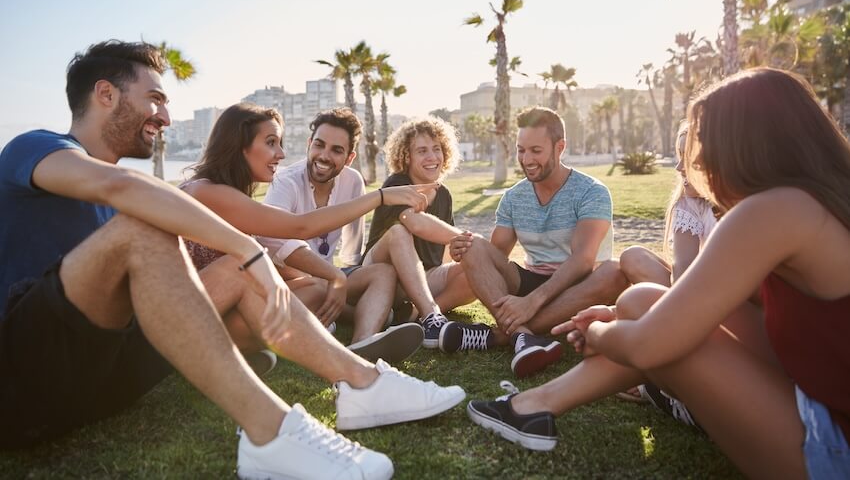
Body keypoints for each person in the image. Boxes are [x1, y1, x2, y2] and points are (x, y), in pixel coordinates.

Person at [0, 41, 464, 480]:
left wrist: (250, 262)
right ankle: (268, 434)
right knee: (152, 230)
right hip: (22, 380)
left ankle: (362, 384)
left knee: (236, 273)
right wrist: (248, 247)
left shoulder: (125, 193)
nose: (164, 116)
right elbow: (121, 188)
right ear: (105, 93)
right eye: (155, 98)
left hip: (98, 379)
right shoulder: (37, 147)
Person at [466, 68, 850, 480]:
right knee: (640, 300)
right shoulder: (813, 200)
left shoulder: (771, 211)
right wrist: (625, 322)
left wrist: (597, 333)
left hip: (832, 445)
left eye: (704, 144)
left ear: (744, 145)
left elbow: (648, 347)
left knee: (647, 325)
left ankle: (532, 403)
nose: (698, 162)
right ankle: (533, 406)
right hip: (819, 395)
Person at [182, 104, 424, 365]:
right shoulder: (208, 192)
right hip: (194, 317)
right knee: (309, 286)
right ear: (241, 145)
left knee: (316, 287)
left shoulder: (226, 193)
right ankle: (243, 349)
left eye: (280, 143)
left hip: (224, 307)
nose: (281, 153)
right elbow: (299, 227)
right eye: (271, 142)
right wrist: (380, 197)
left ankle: (355, 337)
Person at [446, 106, 627, 378]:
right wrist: (463, 250)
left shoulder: (592, 191)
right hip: (533, 279)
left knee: (614, 272)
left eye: (536, 150)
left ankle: (499, 336)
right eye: (521, 150)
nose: (526, 159)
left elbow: (583, 260)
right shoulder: (513, 197)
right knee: (473, 244)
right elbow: (494, 258)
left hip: (580, 286)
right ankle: (523, 336)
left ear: (560, 147)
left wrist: (532, 302)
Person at [616, 122, 719, 405]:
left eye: (687, 159)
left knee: (631, 309)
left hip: (728, 302)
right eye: (677, 156)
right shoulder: (687, 204)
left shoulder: (746, 208)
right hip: (690, 292)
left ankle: (658, 372)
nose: (677, 168)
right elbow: (682, 270)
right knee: (632, 256)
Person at [361, 117, 478, 347]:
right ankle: (431, 315)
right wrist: (466, 237)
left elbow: (446, 250)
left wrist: (463, 257)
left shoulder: (444, 195)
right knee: (399, 232)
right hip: (381, 274)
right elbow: (415, 223)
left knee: (475, 272)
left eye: (437, 149)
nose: (432, 157)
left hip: (422, 280)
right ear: (407, 156)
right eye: (422, 151)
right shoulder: (398, 183)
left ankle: (414, 315)